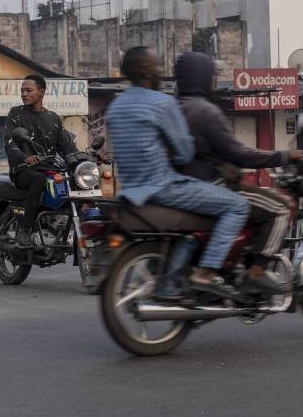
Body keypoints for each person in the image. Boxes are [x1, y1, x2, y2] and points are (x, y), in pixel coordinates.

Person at [106, 46, 250, 295]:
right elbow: (184, 152)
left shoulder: (115, 106)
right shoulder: (162, 103)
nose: (162, 71)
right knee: (237, 206)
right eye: (158, 65)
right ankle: (206, 272)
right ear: (145, 70)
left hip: (131, 190)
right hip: (164, 186)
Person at [174, 51, 303, 293]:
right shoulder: (206, 112)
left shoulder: (172, 108)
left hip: (181, 186)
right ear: (204, 78)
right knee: (281, 208)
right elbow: (239, 154)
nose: (214, 81)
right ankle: (256, 272)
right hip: (213, 185)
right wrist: (284, 155)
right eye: (211, 76)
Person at [3, 74, 77, 249]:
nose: (24, 94)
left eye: (29, 90)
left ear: (41, 92)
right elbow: (9, 142)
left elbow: (66, 147)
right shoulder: (16, 113)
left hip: (48, 168)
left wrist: (82, 160)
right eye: (22, 91)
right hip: (23, 170)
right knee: (38, 180)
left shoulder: (53, 118)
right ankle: (24, 229)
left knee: (75, 181)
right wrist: (24, 157)